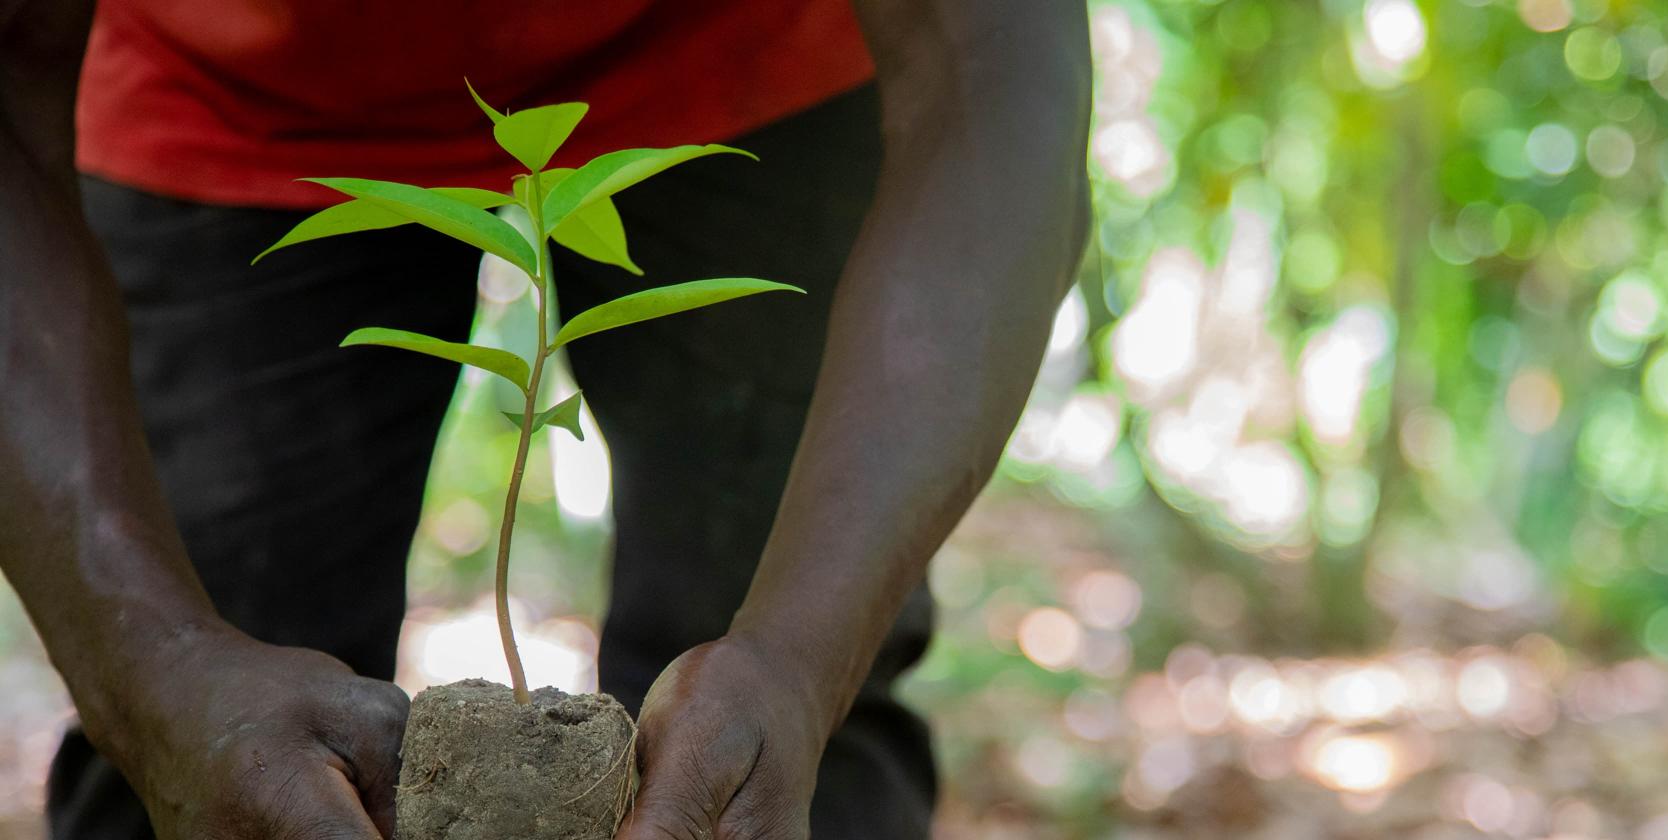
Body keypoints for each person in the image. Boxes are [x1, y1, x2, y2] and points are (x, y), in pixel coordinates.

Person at [0, 0, 1091, 837]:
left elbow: (997, 81)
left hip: (745, 57)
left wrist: (805, 662)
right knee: (209, 755)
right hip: (228, 86)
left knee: (762, 757)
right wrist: (149, 676)